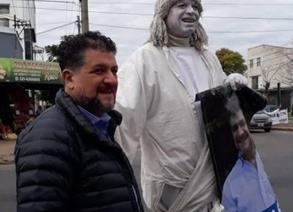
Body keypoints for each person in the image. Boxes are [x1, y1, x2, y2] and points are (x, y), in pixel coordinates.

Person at [114, 0, 247, 211]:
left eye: (195, 6)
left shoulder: (208, 58)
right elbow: (122, 122)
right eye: (181, 5)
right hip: (172, 187)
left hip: (216, 179)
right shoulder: (144, 60)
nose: (191, 11)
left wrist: (231, 85)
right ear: (164, 12)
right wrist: (111, 181)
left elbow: (221, 105)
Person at [14, 31, 144, 212]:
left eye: (113, 70)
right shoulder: (47, 138)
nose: (112, 80)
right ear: (69, 79)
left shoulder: (101, 127)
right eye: (99, 71)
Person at [222, 94, 280, 212]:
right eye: (234, 128)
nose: (240, 132)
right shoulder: (230, 186)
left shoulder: (257, 158)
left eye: (242, 124)